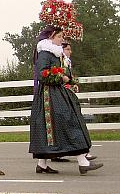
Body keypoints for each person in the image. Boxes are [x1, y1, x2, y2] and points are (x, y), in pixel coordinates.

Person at [29, 25, 103, 175]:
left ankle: (42, 165)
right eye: (59, 36)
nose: (61, 39)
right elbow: (42, 74)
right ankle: (83, 162)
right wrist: (60, 77)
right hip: (48, 96)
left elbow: (64, 71)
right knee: (68, 123)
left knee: (55, 128)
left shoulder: (57, 54)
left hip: (58, 92)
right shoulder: (44, 53)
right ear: (51, 37)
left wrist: (70, 79)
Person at [52, 42, 97, 163]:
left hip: (68, 93)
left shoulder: (66, 62)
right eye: (68, 49)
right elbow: (60, 77)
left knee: (72, 122)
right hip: (63, 95)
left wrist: (73, 83)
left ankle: (76, 152)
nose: (70, 51)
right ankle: (81, 154)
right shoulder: (60, 61)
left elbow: (67, 76)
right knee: (72, 122)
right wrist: (70, 83)